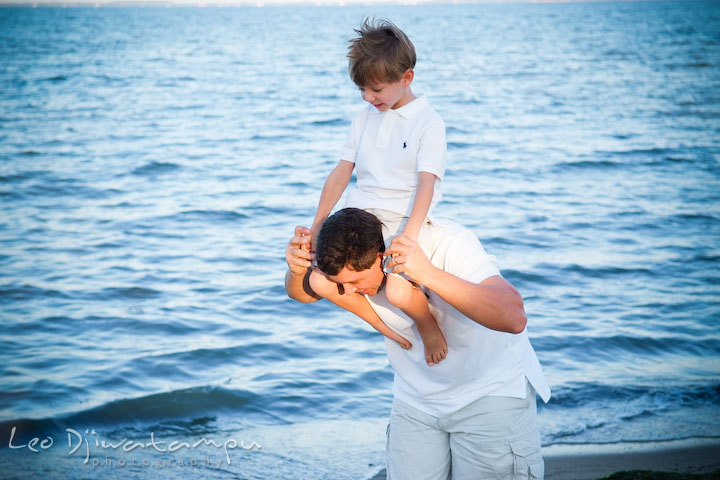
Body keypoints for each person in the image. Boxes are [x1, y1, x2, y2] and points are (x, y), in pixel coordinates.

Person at [285, 208, 551, 480]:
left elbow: (514, 316)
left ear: (379, 259)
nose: (348, 291)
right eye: (341, 284)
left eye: (354, 282)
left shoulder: (449, 241)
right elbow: (305, 292)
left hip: (489, 393)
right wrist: (296, 270)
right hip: (416, 400)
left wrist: (427, 273)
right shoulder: (349, 246)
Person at [307, 18, 448, 366]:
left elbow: (427, 184)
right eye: (362, 91)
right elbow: (342, 173)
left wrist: (409, 237)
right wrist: (318, 224)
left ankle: (427, 325)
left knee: (399, 289)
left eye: (377, 90)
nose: (369, 98)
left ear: (406, 78)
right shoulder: (363, 117)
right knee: (320, 281)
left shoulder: (428, 123)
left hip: (402, 219)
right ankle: (387, 330)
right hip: (360, 219)